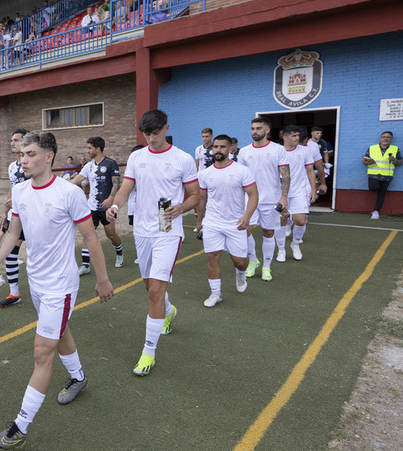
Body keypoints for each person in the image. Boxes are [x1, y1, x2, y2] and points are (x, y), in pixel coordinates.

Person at [0, 130, 114, 450]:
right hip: (37, 281)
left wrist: (102, 280)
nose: (23, 160)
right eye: (21, 154)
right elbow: (14, 234)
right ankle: (79, 377)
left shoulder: (69, 193)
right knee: (60, 330)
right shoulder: (21, 191)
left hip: (61, 284)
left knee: (42, 351)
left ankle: (19, 427)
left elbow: (90, 238)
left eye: (30, 154)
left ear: (49, 157)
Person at [106, 109, 200, 377]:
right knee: (150, 288)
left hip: (168, 231)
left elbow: (195, 195)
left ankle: (149, 351)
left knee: (155, 292)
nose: (151, 138)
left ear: (166, 128)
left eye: (156, 133)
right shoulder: (137, 156)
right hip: (143, 231)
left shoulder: (182, 159)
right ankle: (169, 312)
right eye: (146, 133)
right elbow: (126, 188)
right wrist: (115, 205)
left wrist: (180, 208)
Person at [197, 135, 258, 307]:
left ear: (230, 149)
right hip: (213, 222)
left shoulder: (241, 171)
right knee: (212, 257)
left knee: (239, 261)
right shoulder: (205, 173)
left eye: (222, 147)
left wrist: (246, 216)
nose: (218, 150)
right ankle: (216, 293)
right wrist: (199, 221)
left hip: (235, 223)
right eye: (215, 147)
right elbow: (202, 199)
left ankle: (240, 273)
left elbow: (253, 194)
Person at [235, 117, 290, 282]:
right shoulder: (244, 151)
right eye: (252, 128)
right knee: (244, 231)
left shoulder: (278, 150)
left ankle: (267, 266)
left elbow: (285, 175)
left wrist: (284, 197)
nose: (255, 131)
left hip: (270, 198)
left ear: (267, 130)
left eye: (259, 128)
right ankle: (253, 261)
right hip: (249, 198)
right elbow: (240, 177)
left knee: (268, 232)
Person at [68, 137, 124, 272]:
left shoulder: (111, 163)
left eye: (89, 148)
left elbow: (116, 183)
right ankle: (85, 266)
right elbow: (75, 181)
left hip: (107, 208)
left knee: (111, 235)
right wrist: (55, 184)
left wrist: (111, 198)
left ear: (97, 149)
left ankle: (120, 254)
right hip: (91, 207)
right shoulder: (88, 166)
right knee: (87, 235)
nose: (87, 151)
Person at [0, 128, 29, 308]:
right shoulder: (11, 166)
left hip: (32, 217)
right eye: (11, 140)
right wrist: (4, 211)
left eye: (16, 140)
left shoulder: (31, 164)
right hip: (15, 217)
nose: (12, 143)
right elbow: (12, 188)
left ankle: (44, 289)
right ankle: (14, 293)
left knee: (35, 256)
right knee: (10, 254)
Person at [277, 125, 318, 262]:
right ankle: (281, 249)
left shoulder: (305, 151)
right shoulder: (277, 151)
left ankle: (295, 244)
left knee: (300, 221)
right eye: (293, 136)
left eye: (297, 135)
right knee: (282, 220)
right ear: (285, 137)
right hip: (280, 192)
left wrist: (313, 189)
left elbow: (310, 170)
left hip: (300, 191)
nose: (297, 138)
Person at [363, 131, 402, 219]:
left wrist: (394, 160)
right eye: (384, 137)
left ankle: (376, 211)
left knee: (382, 193)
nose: (385, 138)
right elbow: (364, 161)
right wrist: (366, 161)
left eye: (388, 137)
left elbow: (400, 161)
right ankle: (377, 194)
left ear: (391, 139)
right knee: (373, 188)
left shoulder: (395, 149)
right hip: (374, 174)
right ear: (380, 138)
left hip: (386, 175)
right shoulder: (372, 148)